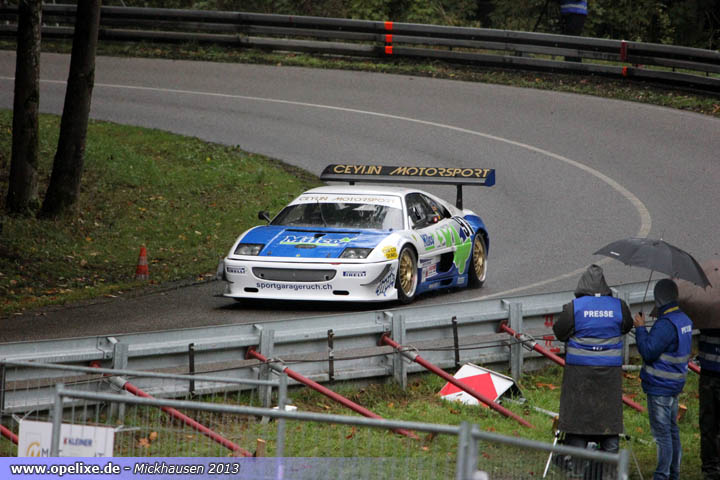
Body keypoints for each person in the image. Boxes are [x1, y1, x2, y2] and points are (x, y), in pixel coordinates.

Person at [553, 264, 633, 475]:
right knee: (609, 421)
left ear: (583, 285)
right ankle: (609, 471)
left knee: (578, 423)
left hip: (579, 377)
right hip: (609, 378)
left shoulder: (575, 307)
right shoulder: (619, 306)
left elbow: (559, 331)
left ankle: (577, 469)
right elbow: (627, 326)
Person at [634, 279, 693, 480]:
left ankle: (662, 475)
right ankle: (673, 473)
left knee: (662, 435)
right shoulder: (683, 319)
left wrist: (640, 329)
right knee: (672, 431)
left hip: (660, 386)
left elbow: (648, 351)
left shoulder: (666, 324)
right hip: (674, 384)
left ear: (658, 298)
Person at [698, 327, 720, 479]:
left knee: (709, 423)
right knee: (708, 423)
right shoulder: (707, 316)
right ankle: (710, 468)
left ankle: (711, 467)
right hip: (708, 371)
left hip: (708, 370)